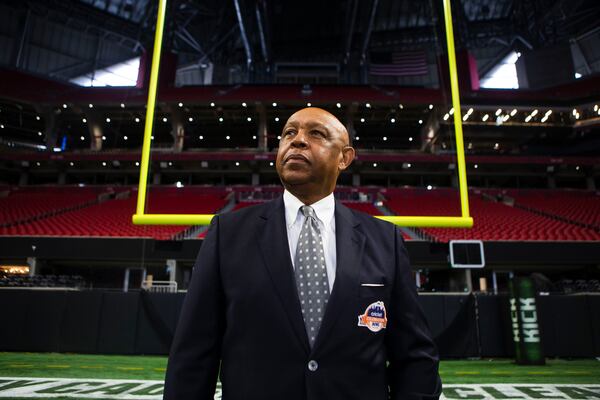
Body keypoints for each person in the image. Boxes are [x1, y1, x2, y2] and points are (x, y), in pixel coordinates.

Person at [163, 107, 441, 400]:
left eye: (316, 134)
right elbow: (193, 354)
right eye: (288, 133)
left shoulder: (385, 239)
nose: (297, 141)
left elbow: (415, 355)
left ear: (344, 158)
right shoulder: (227, 234)